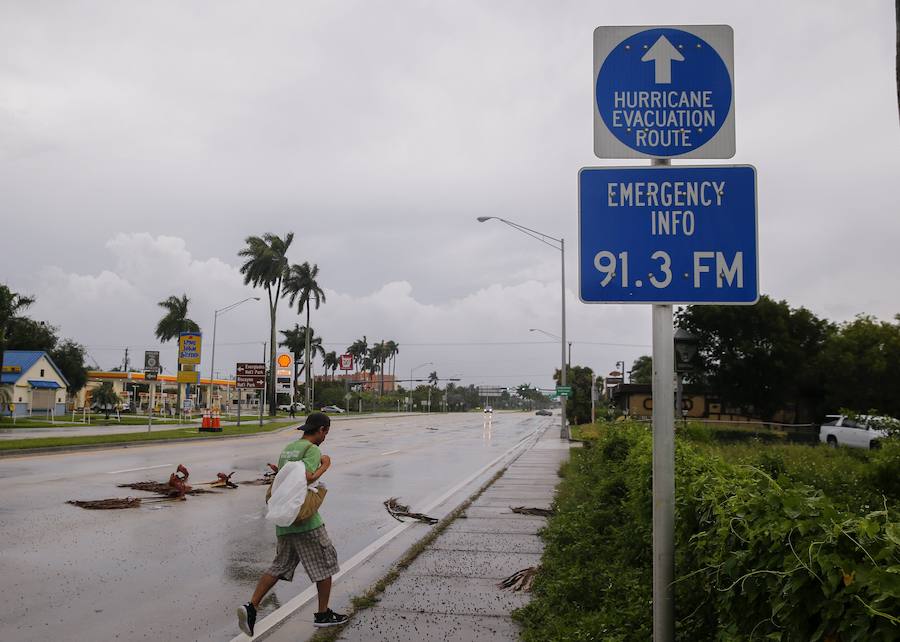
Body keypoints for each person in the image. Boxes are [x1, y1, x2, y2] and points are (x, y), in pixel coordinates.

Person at [237, 412, 348, 636]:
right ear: (322, 430)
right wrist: (325, 465)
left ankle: (251, 606)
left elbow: (285, 477)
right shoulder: (314, 450)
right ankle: (323, 614)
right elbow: (306, 477)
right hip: (305, 520)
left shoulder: (289, 449)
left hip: (284, 519)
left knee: (279, 566)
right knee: (325, 563)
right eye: (325, 432)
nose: (325, 437)